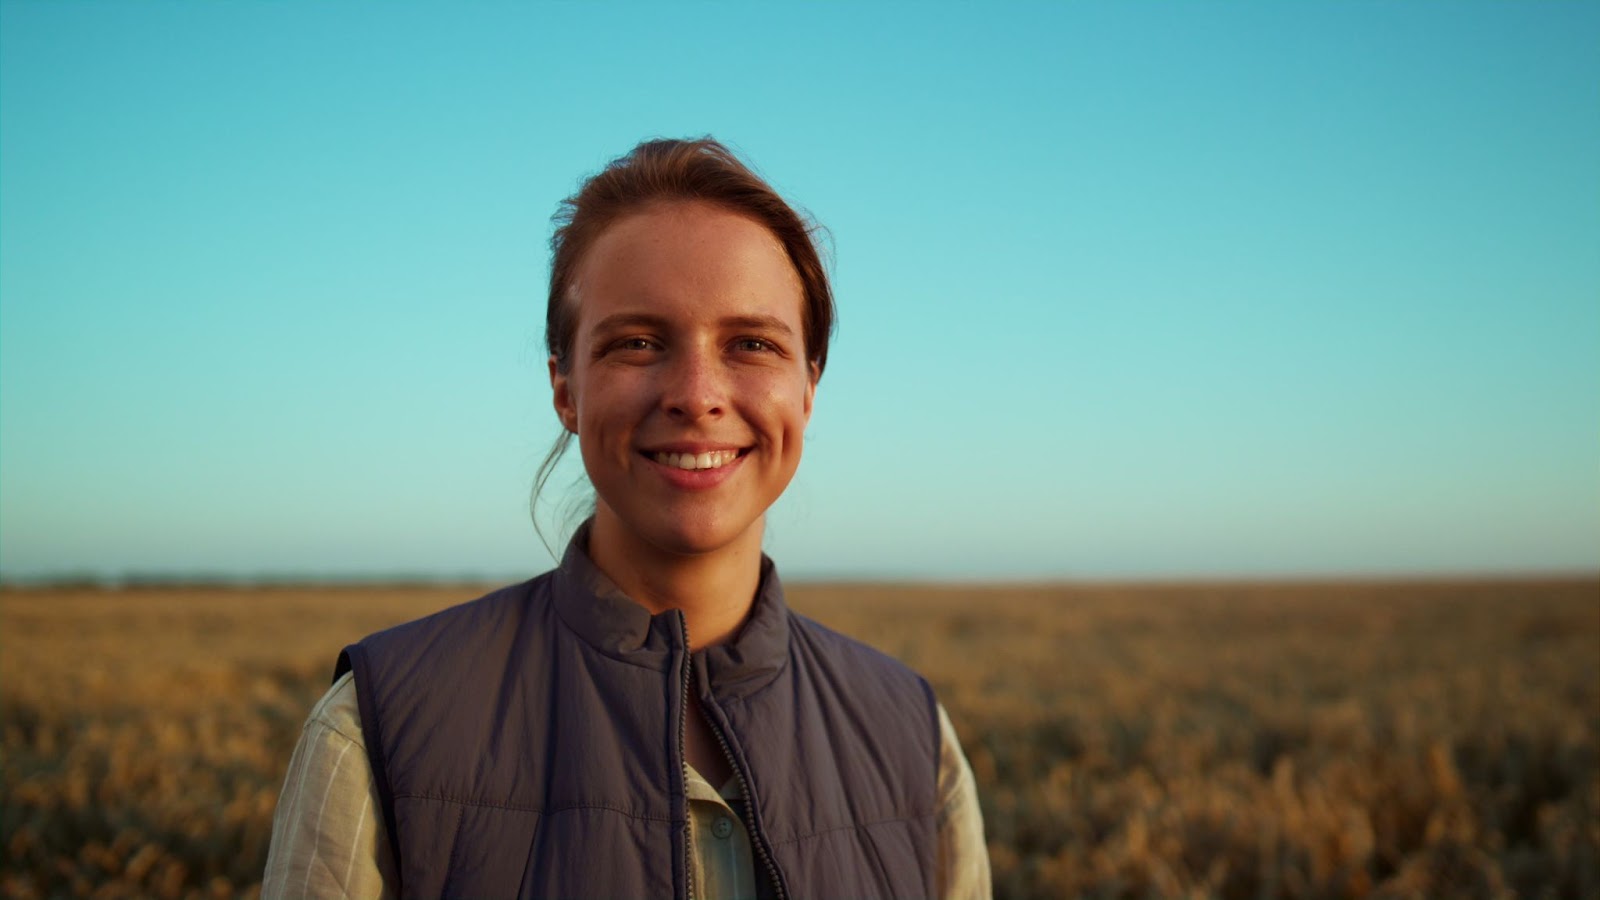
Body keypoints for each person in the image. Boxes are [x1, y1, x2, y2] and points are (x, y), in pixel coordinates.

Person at [262, 137, 990, 899]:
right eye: (638, 343)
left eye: (752, 344)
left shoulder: (913, 740)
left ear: (808, 388)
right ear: (565, 388)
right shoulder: (375, 730)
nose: (697, 393)